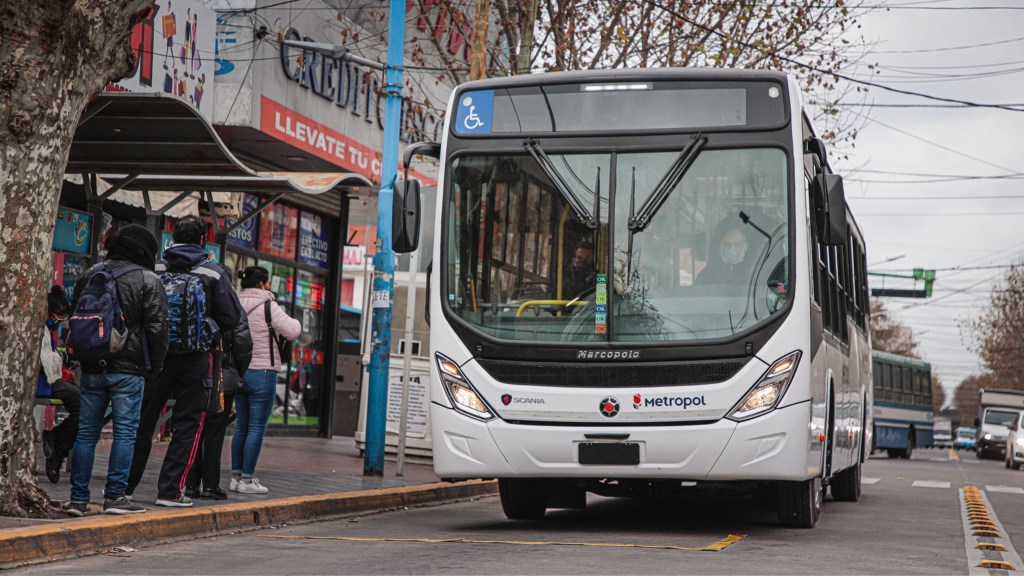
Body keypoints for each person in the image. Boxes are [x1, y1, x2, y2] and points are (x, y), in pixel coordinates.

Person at [127, 215, 244, 507]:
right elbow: (232, 318)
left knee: (142, 422)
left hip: (156, 357)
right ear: (203, 240)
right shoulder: (213, 273)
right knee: (188, 425)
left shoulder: (155, 268)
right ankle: (170, 491)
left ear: (174, 238)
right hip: (197, 358)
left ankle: (123, 488)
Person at [67, 225, 169, 516]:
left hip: (92, 366)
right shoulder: (149, 279)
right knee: (125, 434)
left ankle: (77, 499)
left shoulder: (91, 273)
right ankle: (115, 497)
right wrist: (155, 366)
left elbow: (76, 315)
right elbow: (158, 329)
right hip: (129, 369)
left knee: (87, 433)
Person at [233, 266, 301, 494]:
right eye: (268, 282)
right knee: (256, 427)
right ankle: (247, 480)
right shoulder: (268, 305)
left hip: (240, 372)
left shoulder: (235, 302)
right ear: (262, 283)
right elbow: (293, 331)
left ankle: (235, 476)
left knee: (241, 427)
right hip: (262, 373)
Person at [185, 318, 252, 500]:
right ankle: (210, 485)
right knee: (215, 431)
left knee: (195, 428)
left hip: (196, 372)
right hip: (222, 375)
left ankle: (190, 484)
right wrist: (237, 371)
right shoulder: (231, 309)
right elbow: (244, 344)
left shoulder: (198, 303)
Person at [39, 286, 81, 484]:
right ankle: (57, 449)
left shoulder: (49, 330)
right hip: (44, 381)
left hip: (50, 378)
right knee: (82, 404)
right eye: (57, 319)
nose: (58, 323)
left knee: (82, 404)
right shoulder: (41, 330)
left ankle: (56, 441)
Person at [696, 223, 755, 288]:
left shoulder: (755, 272)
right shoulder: (707, 274)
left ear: (745, 246)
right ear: (720, 246)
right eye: (726, 245)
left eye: (737, 245)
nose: (731, 249)